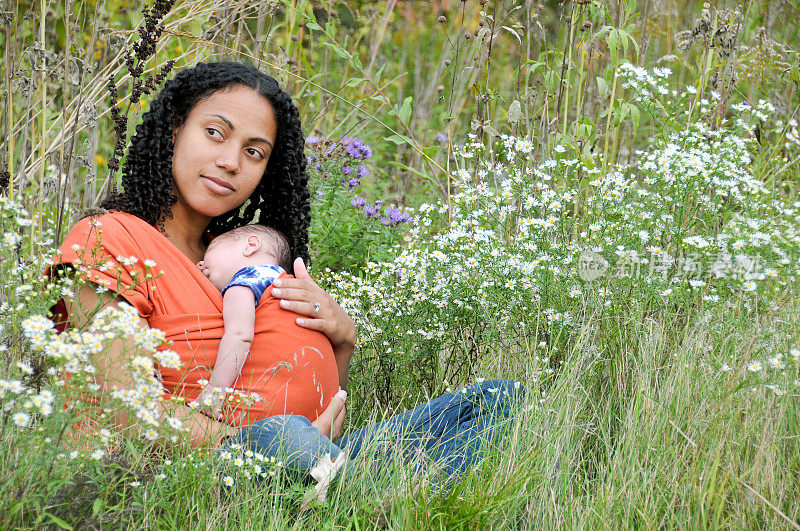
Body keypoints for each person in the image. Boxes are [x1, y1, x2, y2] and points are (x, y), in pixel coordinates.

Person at [51, 61, 524, 494]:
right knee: (303, 454)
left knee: (496, 401)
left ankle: (340, 495)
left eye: (254, 152)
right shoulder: (108, 238)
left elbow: (317, 407)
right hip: (191, 470)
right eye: (215, 133)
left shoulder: (239, 259)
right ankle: (367, 499)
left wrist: (342, 343)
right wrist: (273, 443)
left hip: (301, 455)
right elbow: (123, 411)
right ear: (175, 130)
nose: (232, 161)